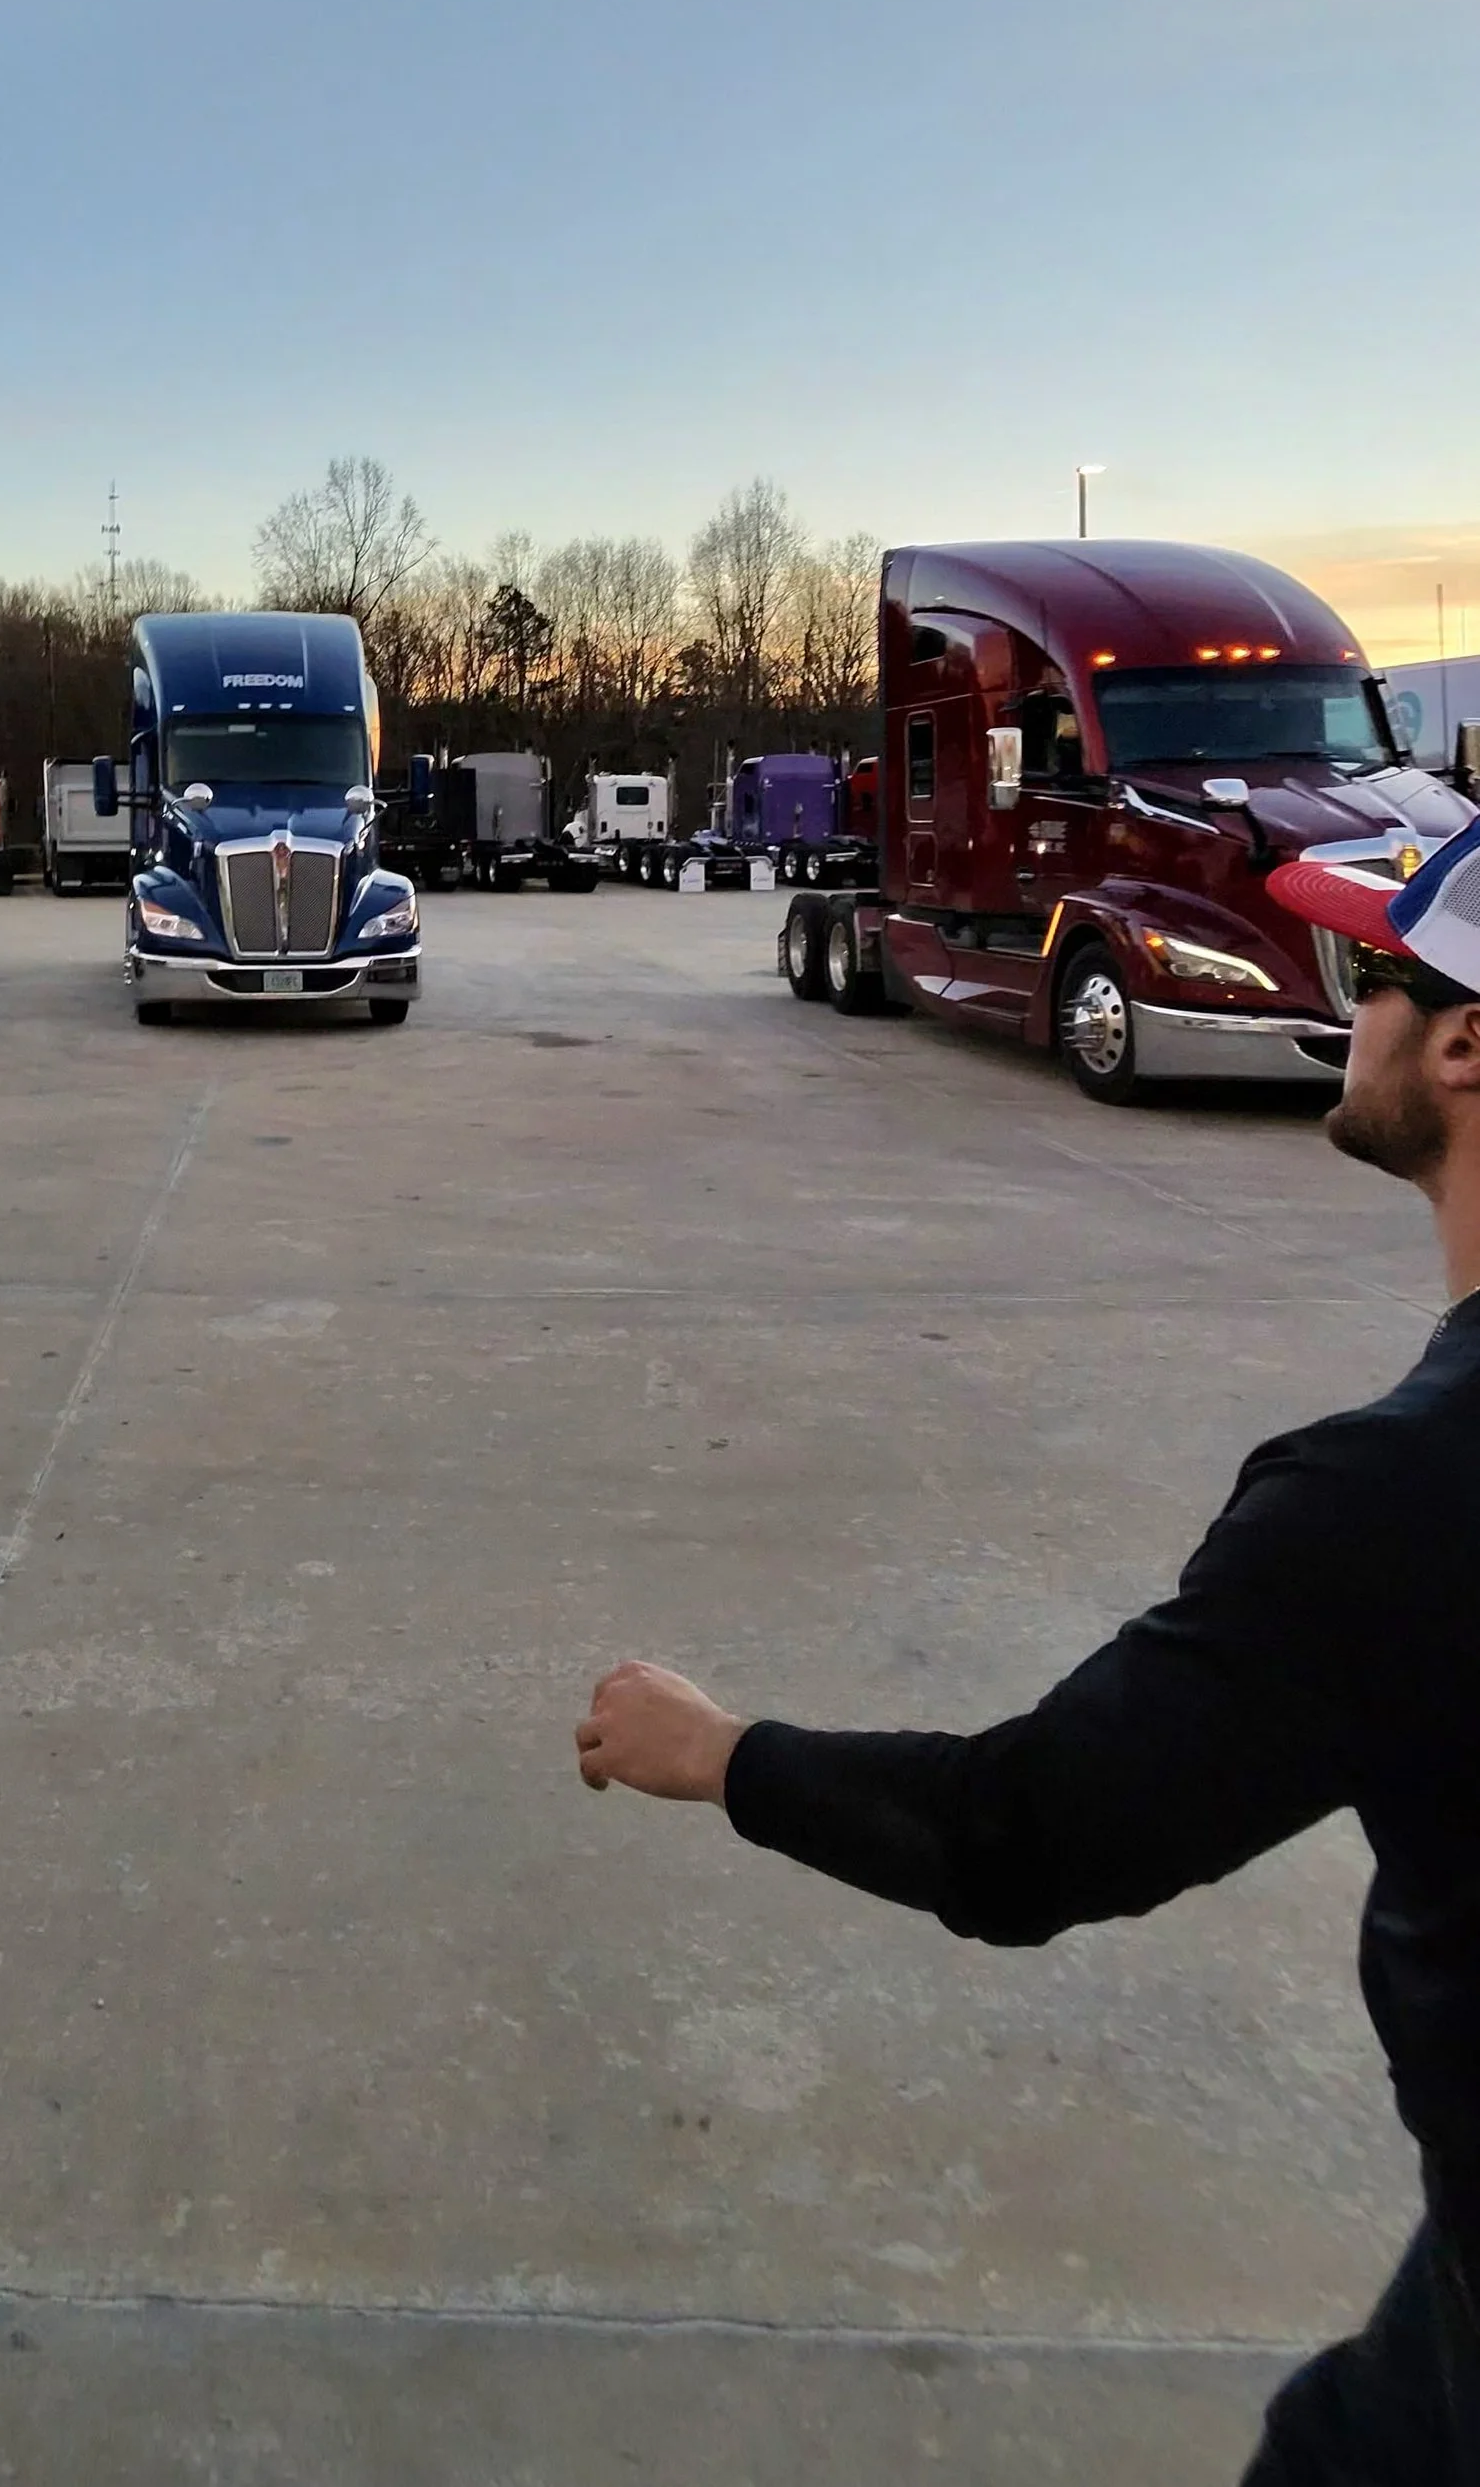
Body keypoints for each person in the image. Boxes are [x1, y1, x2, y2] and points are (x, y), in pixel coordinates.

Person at [575, 811, 1480, 2482]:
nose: (1344, 1003)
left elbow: (1032, 1835)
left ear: (1466, 1041)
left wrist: (719, 1754)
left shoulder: (1396, 1501)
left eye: (1366, 972)